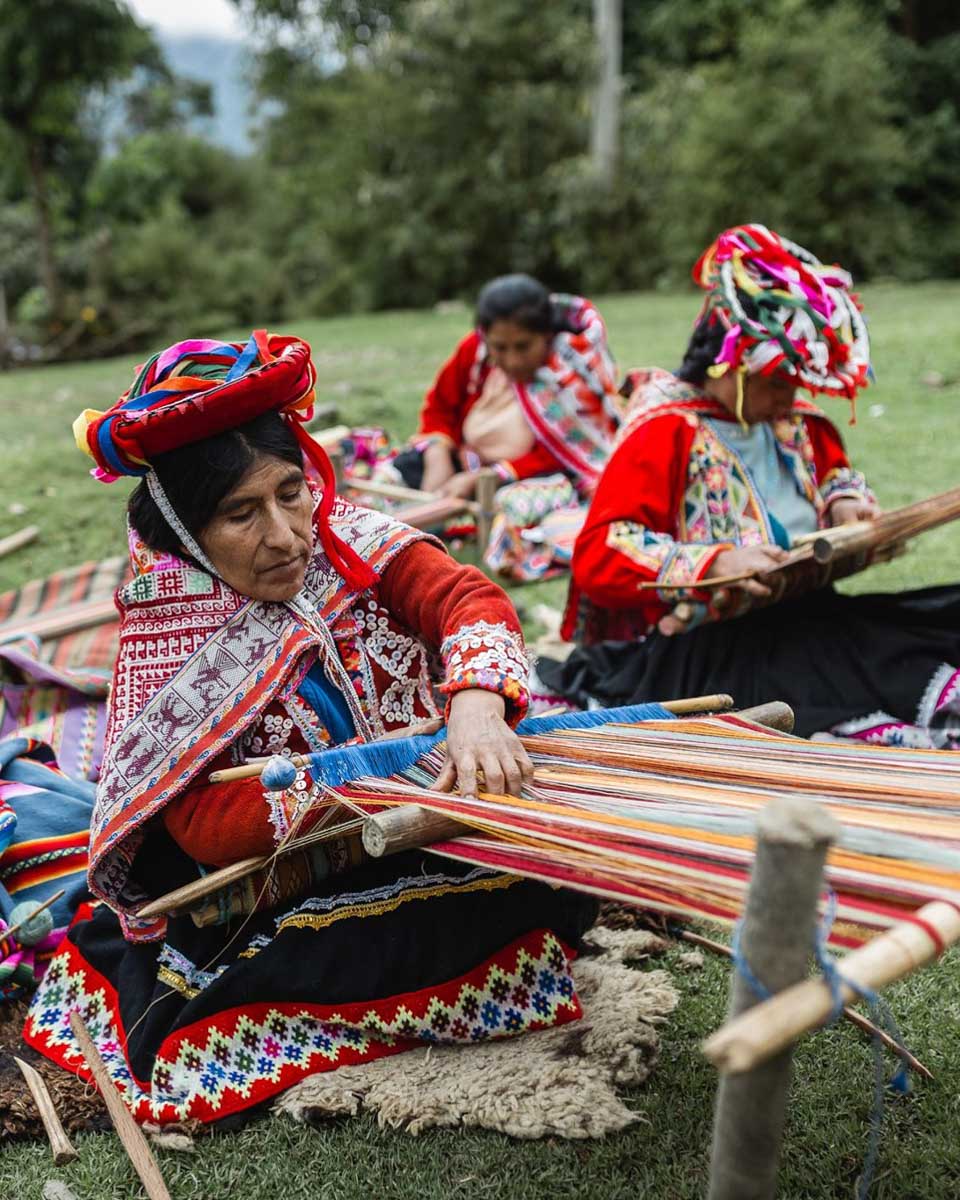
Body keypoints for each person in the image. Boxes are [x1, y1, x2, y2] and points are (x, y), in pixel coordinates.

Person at [23, 333, 596, 1126]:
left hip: (432, 824)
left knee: (537, 886)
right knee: (313, 964)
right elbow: (196, 822)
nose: (286, 534)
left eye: (291, 493)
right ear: (189, 533)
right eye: (240, 513)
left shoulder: (349, 543)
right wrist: (359, 796)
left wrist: (474, 704)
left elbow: (468, 600)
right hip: (296, 879)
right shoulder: (171, 634)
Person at [543, 225, 960, 748]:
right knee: (843, 683)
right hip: (717, 644)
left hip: (813, 617)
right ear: (731, 364)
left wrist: (846, 501)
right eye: (779, 383)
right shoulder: (666, 430)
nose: (791, 399)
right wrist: (715, 563)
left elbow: (833, 474)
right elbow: (603, 550)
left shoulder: (792, 420)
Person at [394, 274, 622, 501]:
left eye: (523, 347)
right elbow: (440, 407)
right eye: (500, 348)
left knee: (528, 496)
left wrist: (490, 477)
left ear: (546, 335)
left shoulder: (572, 370)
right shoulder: (474, 351)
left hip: (530, 473)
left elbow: (571, 448)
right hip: (468, 461)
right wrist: (438, 454)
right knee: (408, 466)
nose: (512, 361)